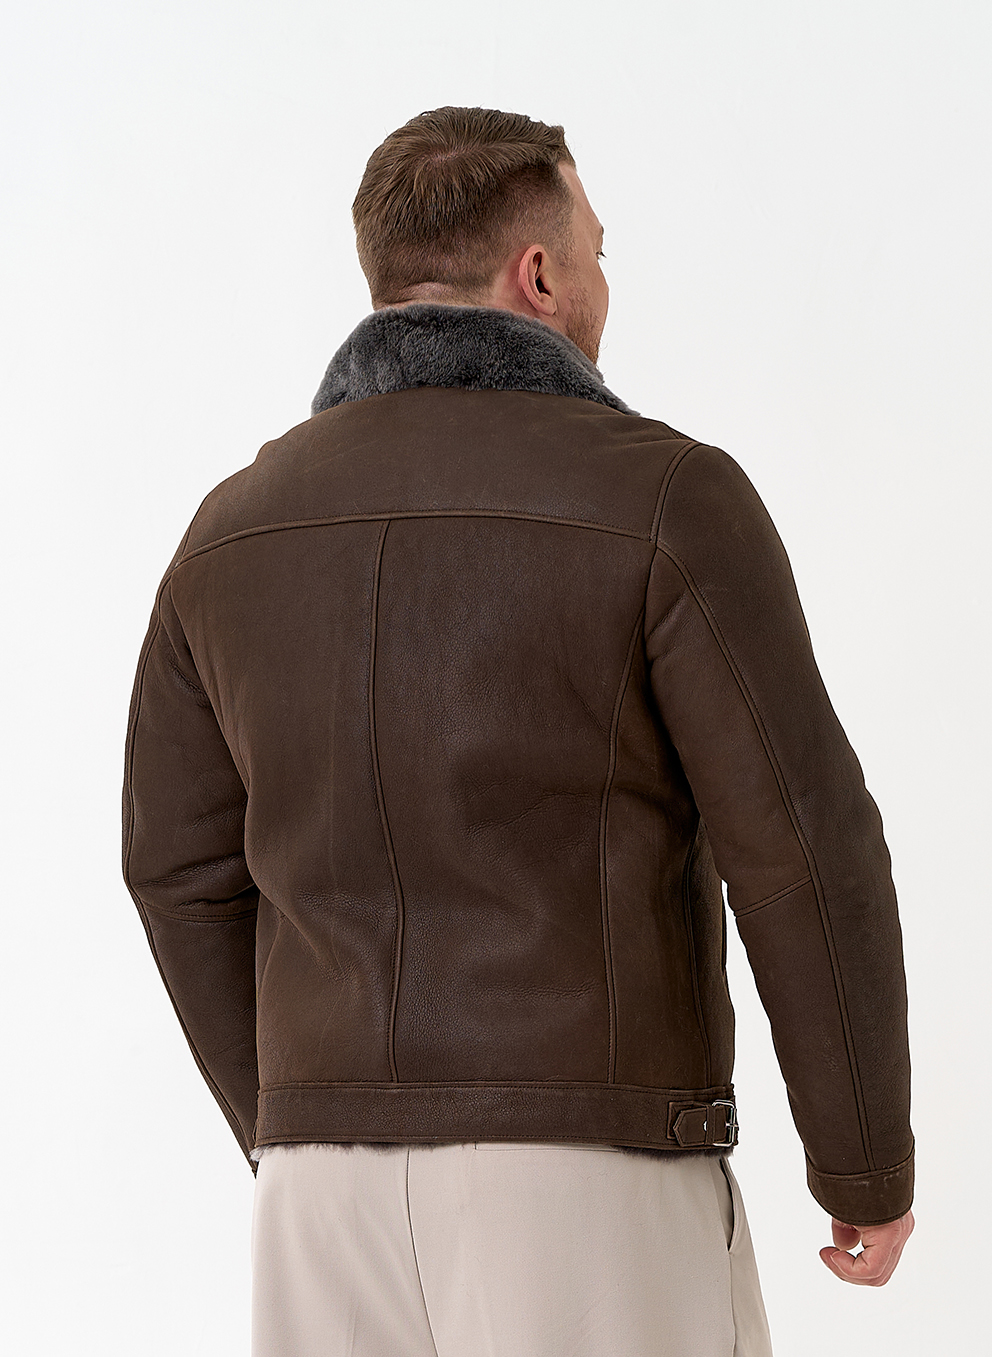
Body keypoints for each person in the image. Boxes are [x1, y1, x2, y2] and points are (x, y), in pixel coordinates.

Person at [121, 105, 915, 1356]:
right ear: (537, 275)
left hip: (319, 1199)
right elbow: (800, 845)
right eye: (597, 249)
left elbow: (175, 872)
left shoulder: (228, 533)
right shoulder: (662, 495)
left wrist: (297, 1122)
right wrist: (862, 1162)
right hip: (589, 1177)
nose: (603, 278)